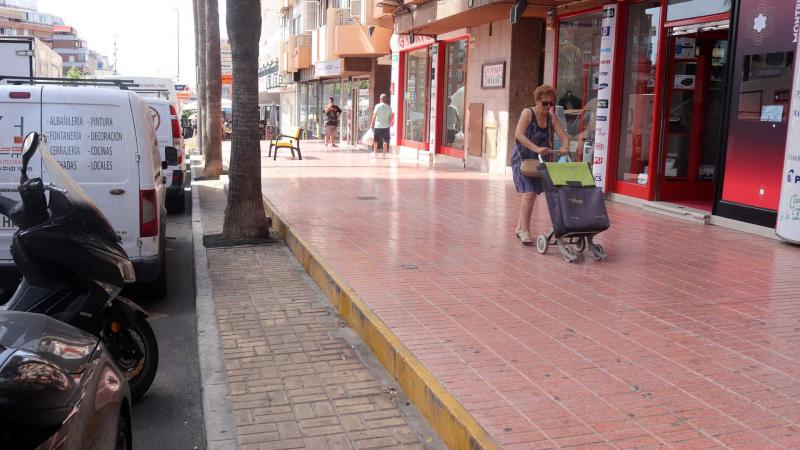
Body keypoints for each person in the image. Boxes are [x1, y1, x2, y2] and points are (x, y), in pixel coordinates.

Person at [512, 84, 570, 245]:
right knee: (529, 193)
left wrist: (565, 146)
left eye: (551, 104)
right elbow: (519, 134)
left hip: (540, 159)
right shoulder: (527, 113)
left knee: (531, 194)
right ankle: (524, 231)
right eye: (545, 103)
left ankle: (519, 227)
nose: (548, 107)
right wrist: (536, 148)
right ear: (537, 101)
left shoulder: (552, 117)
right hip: (523, 157)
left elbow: (564, 136)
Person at [370, 93, 394, 158]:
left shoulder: (377, 106)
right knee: (385, 141)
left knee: (376, 140)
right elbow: (390, 118)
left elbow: (374, 116)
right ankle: (384, 154)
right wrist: (388, 123)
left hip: (377, 126)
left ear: (380, 99)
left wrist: (372, 124)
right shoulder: (389, 107)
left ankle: (375, 152)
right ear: (386, 99)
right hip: (386, 126)